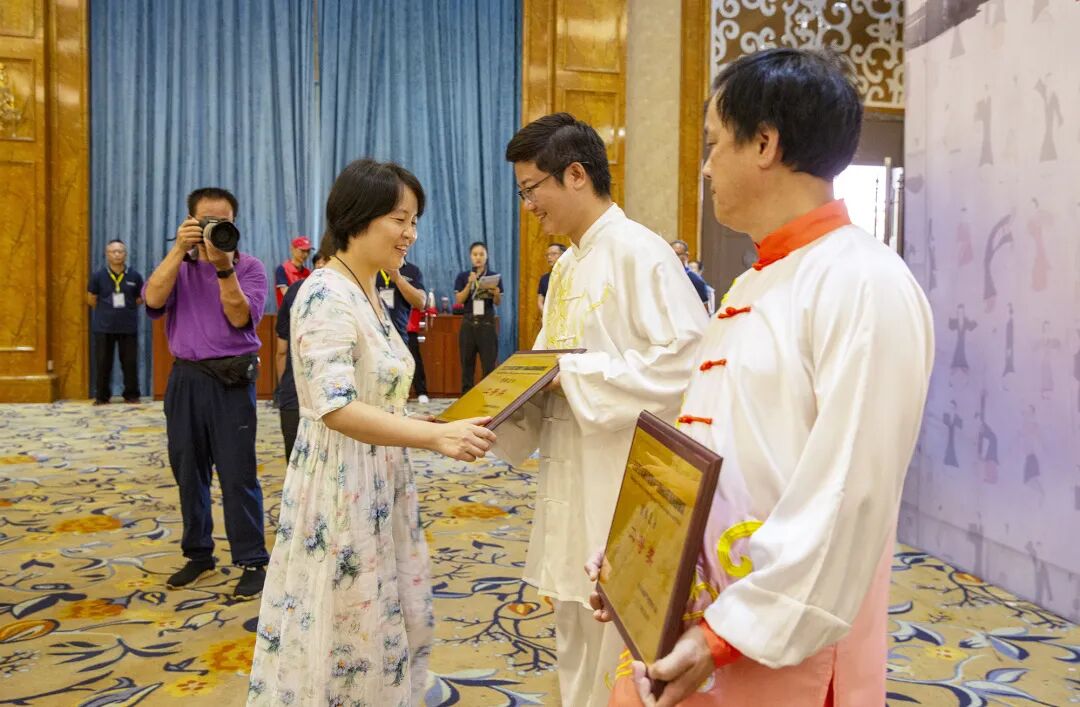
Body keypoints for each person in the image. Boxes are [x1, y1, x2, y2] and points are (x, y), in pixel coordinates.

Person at [588, 48, 934, 707]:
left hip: (778, 636)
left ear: (765, 143)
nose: (707, 166)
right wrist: (639, 557)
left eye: (715, 143)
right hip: (707, 611)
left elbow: (847, 494)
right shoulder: (754, 280)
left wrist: (726, 632)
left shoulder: (864, 282)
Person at [247, 159, 495, 706]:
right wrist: (433, 439)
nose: (410, 233)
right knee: (348, 620)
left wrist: (423, 425)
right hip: (342, 482)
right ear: (356, 217)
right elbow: (334, 406)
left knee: (387, 611)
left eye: (414, 221)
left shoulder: (367, 291)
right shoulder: (324, 294)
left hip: (378, 475)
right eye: (399, 219)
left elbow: (371, 393)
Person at [493, 113, 708, 707]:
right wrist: (503, 409)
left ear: (576, 174)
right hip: (571, 467)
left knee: (618, 634)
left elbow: (688, 362)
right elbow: (550, 363)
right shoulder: (566, 264)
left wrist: (577, 377)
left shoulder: (640, 251)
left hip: (620, 475)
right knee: (572, 621)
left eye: (531, 188)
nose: (528, 206)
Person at [143, 187, 270, 599]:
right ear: (190, 223)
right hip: (186, 379)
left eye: (223, 222)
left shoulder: (250, 268)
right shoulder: (176, 266)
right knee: (188, 471)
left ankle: (252, 560)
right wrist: (179, 251)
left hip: (231, 381)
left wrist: (223, 268)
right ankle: (198, 554)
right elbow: (152, 298)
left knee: (238, 474)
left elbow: (239, 317)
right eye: (206, 222)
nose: (215, 228)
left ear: (234, 223)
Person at [275, 242, 331, 462]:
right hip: (334, 395)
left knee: (297, 462)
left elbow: (281, 350)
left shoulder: (300, 285)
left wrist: (283, 387)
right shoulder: (286, 273)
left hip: (295, 390)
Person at [87, 239, 144, 404]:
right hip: (104, 327)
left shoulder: (135, 276)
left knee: (129, 363)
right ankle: (102, 396)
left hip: (128, 326)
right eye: (114, 251)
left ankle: (131, 395)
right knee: (103, 363)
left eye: (121, 251)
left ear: (126, 254)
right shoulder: (98, 276)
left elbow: (140, 298)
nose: (117, 254)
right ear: (107, 254)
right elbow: (91, 299)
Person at [454, 241, 503, 392]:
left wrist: (496, 294)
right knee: (467, 365)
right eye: (475, 254)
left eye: (481, 254)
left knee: (489, 365)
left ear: (486, 256)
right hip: (468, 323)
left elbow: (498, 302)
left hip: (486, 324)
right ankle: (466, 397)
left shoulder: (493, 276)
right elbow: (459, 300)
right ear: (470, 257)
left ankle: (486, 397)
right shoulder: (463, 276)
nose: (478, 257)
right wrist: (469, 284)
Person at [378, 259, 430, 403]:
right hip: (373, 333)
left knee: (400, 379)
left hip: (399, 333)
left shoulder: (412, 270)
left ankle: (415, 395)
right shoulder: (372, 266)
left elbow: (421, 302)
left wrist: (398, 279)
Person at [274, 236, 312, 307]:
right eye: (302, 251)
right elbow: (286, 293)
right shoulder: (282, 269)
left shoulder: (307, 272)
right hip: (287, 312)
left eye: (308, 251)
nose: (306, 254)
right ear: (292, 249)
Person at [671, 239, 710, 306]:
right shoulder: (661, 276)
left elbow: (704, 308)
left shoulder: (695, 281)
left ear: (686, 256)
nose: (673, 257)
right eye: (671, 254)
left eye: (677, 254)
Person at [538, 243, 567, 314]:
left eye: (553, 254)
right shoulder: (544, 278)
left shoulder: (570, 276)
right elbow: (540, 302)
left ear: (563, 255)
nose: (549, 257)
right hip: (549, 316)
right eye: (547, 255)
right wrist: (546, 315)